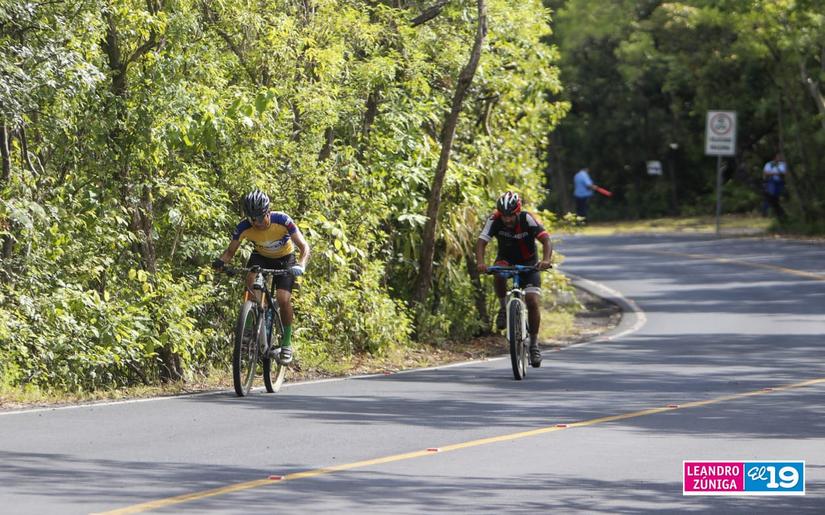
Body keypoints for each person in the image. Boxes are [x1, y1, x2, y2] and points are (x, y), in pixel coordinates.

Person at [212, 190, 310, 364]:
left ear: (268, 212)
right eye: (251, 218)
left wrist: (301, 264)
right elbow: (230, 251)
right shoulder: (244, 227)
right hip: (261, 257)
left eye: (259, 217)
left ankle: (286, 343)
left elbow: (304, 246)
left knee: (283, 298)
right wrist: (220, 263)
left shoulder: (282, 220)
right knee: (250, 281)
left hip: (285, 259)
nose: (256, 222)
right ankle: (250, 327)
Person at [476, 192, 553, 368]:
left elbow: (546, 240)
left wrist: (546, 260)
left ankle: (533, 344)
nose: (507, 219)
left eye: (510, 215)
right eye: (504, 215)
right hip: (506, 260)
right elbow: (481, 242)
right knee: (498, 272)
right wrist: (481, 263)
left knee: (532, 301)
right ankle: (503, 308)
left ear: (517, 212)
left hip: (529, 263)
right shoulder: (494, 219)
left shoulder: (528, 219)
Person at [762, 153, 787, 220]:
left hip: (780, 182)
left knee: (777, 197)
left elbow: (784, 173)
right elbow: (766, 173)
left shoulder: (783, 164)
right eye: (778, 156)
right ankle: (765, 212)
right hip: (771, 182)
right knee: (770, 196)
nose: (779, 158)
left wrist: (773, 173)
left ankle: (776, 213)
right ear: (775, 157)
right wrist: (777, 173)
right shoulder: (769, 164)